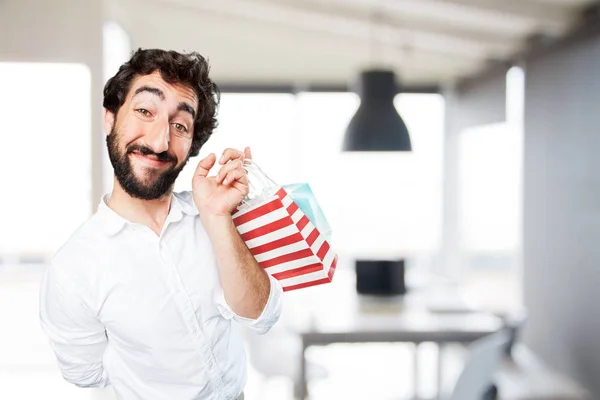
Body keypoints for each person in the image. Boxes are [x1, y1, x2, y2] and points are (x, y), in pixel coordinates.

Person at [39, 49, 283, 400]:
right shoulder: (73, 269)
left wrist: (217, 217)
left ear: (192, 144)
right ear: (110, 118)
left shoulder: (215, 217)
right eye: (144, 111)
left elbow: (263, 316)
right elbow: (86, 373)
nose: (159, 141)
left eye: (180, 125)